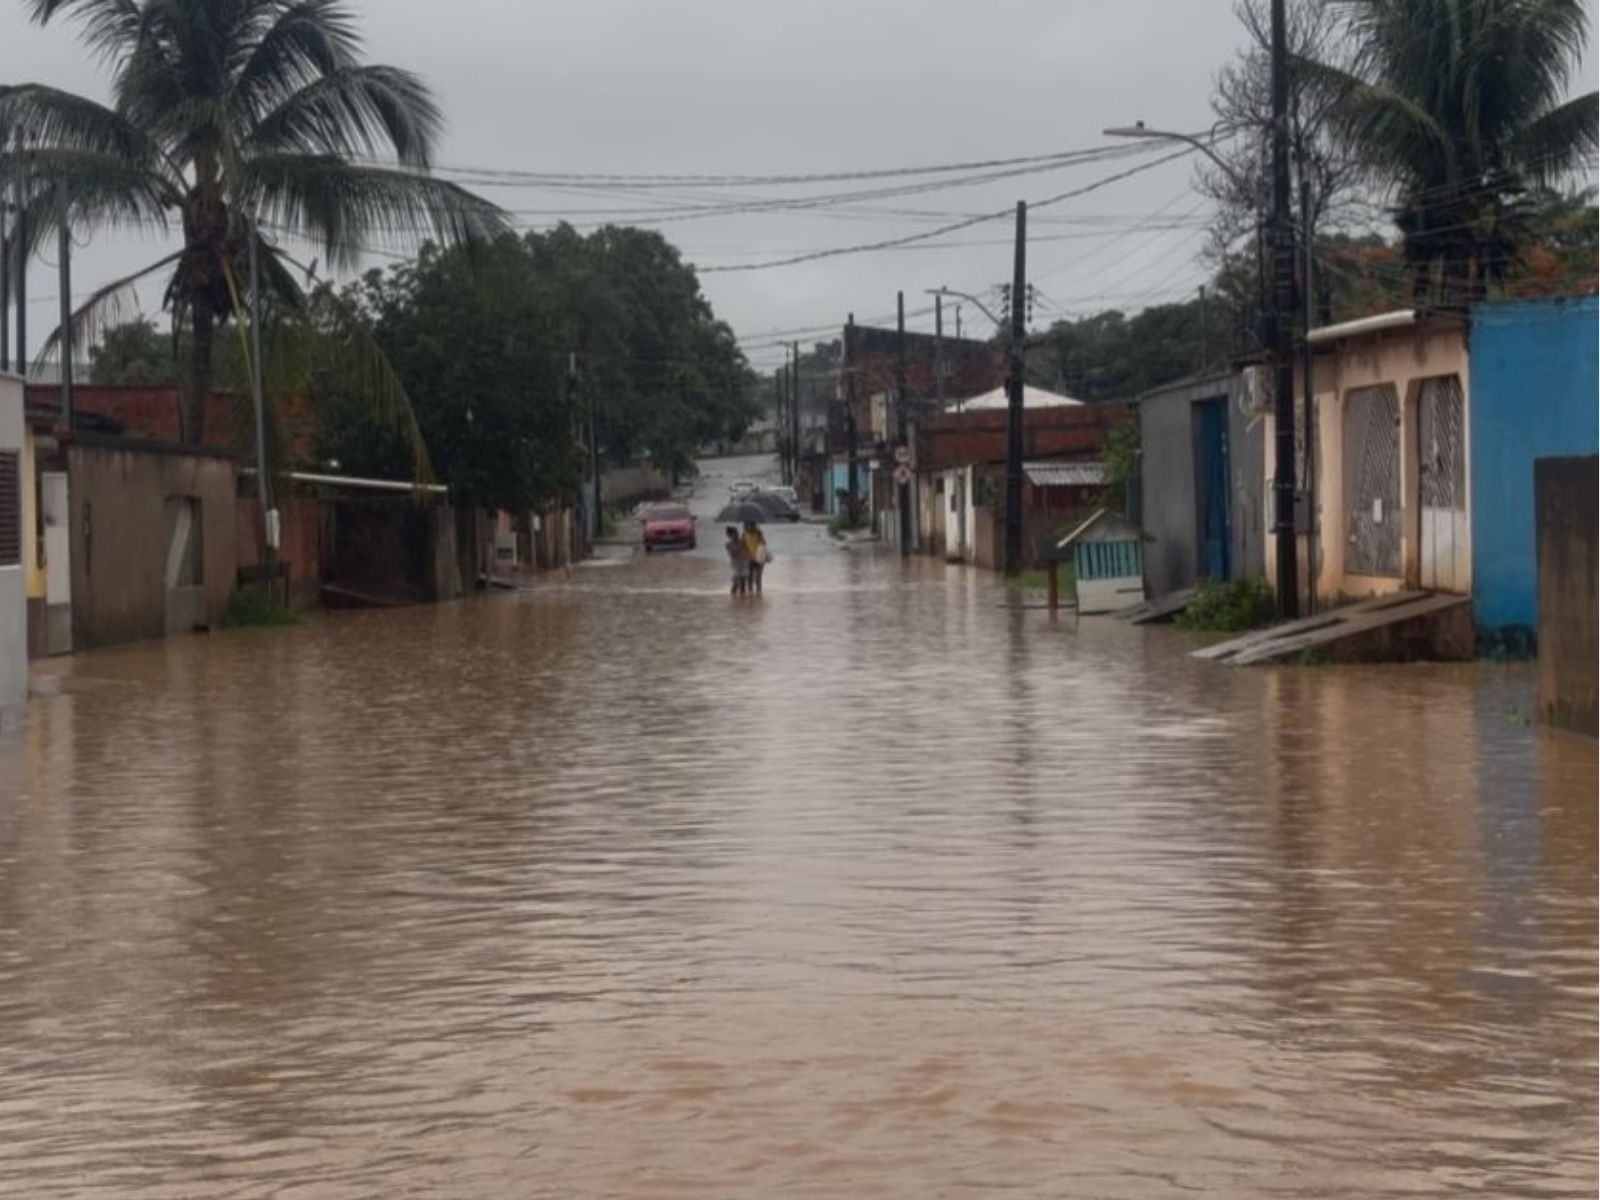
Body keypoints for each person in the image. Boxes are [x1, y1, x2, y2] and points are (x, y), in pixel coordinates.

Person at [742, 520, 770, 594]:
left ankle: (758, 594)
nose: (751, 526)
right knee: (749, 578)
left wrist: (761, 538)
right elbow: (742, 545)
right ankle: (750, 594)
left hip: (759, 558)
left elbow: (764, 544)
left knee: (758, 577)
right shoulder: (744, 534)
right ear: (746, 525)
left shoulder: (758, 533)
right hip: (749, 558)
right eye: (749, 524)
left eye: (753, 524)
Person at [725, 525, 750, 596]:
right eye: (734, 533)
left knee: (743, 579)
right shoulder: (728, 544)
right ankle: (733, 595)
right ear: (730, 535)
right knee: (736, 580)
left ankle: (743, 596)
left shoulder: (743, 541)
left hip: (744, 562)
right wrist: (741, 554)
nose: (736, 535)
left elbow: (748, 550)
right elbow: (732, 555)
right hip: (736, 563)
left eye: (737, 533)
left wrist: (746, 554)